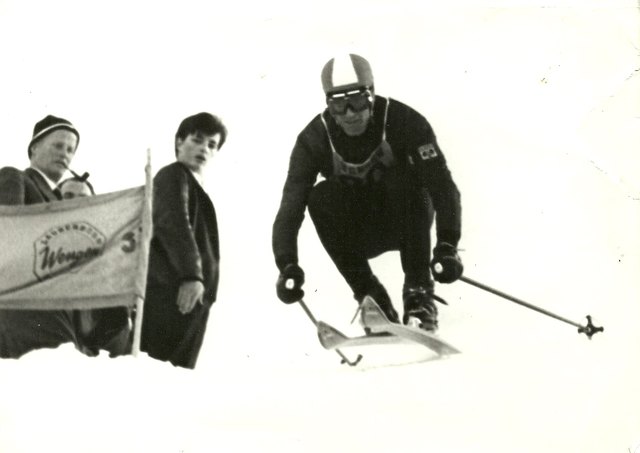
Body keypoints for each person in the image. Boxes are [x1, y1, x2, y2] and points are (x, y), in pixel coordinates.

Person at [272, 54, 463, 331]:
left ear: (371, 95)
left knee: (407, 178)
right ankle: (371, 299)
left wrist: (447, 246)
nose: (350, 113)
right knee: (319, 196)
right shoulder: (314, 139)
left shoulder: (403, 121)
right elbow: (290, 208)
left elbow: (442, 187)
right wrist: (287, 264)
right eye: (338, 104)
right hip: (361, 231)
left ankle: (419, 295)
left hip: (408, 223)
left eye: (357, 100)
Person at [141, 112, 227, 369]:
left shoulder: (195, 186)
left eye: (212, 145)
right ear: (179, 142)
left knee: (177, 377)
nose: (204, 149)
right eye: (197, 140)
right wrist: (192, 275)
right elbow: (173, 223)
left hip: (191, 298)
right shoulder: (173, 175)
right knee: (160, 373)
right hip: (173, 292)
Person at [0, 114, 86, 357]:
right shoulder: (15, 177)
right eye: (58, 145)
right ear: (35, 148)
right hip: (23, 310)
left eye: (70, 149)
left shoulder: (63, 201)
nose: (65, 154)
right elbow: (7, 235)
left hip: (56, 309)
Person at [59, 174, 133, 357]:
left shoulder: (110, 247)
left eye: (84, 199)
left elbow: (120, 314)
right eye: (67, 197)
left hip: (101, 349)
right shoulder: (34, 246)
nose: (75, 203)